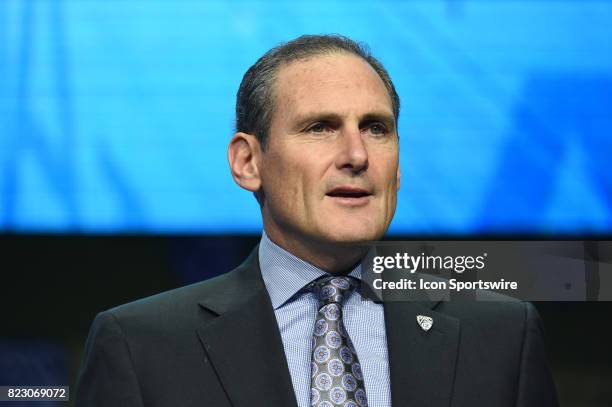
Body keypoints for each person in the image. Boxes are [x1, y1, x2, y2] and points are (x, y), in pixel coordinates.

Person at [75, 35, 559, 407]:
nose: (356, 154)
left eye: (376, 128)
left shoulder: (501, 336)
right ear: (248, 162)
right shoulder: (141, 345)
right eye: (319, 128)